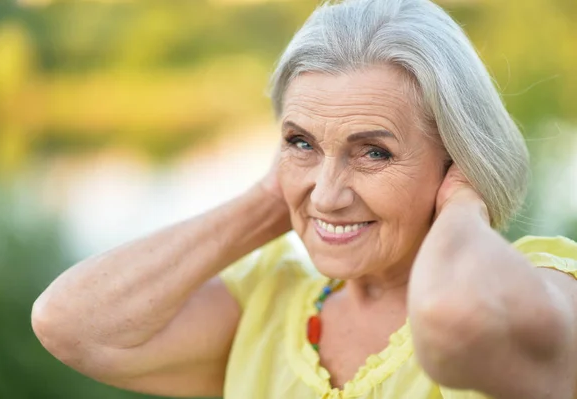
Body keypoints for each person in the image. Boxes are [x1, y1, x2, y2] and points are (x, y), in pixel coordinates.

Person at [31, 0, 577, 398]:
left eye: (374, 153)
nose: (328, 194)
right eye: (300, 143)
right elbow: (69, 323)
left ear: (455, 159)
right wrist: (273, 198)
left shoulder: (543, 285)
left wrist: (465, 202)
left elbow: (456, 322)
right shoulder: (269, 306)